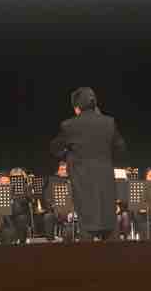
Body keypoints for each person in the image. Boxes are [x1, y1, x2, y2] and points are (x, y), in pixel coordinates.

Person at [50, 87, 126, 241]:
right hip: (105, 182)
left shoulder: (69, 125)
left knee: (87, 227)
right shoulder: (108, 122)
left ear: (77, 107)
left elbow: (55, 148)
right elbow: (121, 148)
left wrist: (69, 154)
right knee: (109, 224)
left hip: (82, 183)